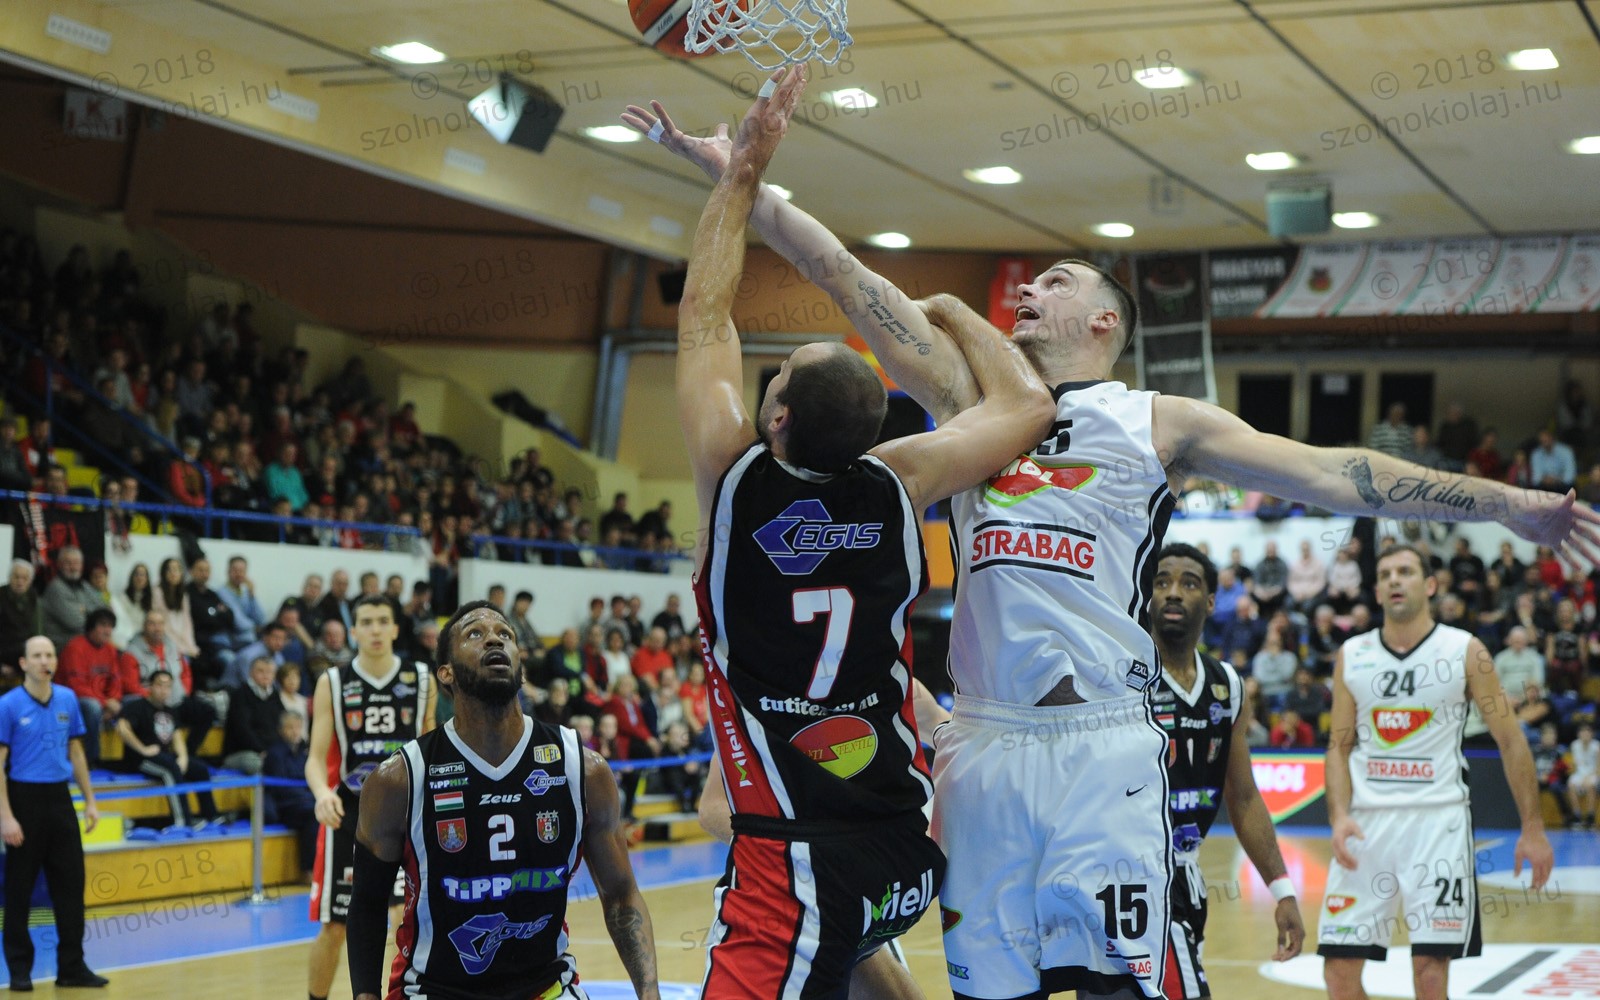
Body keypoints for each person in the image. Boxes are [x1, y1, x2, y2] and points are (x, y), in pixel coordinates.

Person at [632, 80, 1599, 1000]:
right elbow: (846, 279)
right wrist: (744, 181)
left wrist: (1501, 505)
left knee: (1128, 983)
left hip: (1101, 745)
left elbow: (1330, 471)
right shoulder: (970, 405)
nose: (1028, 290)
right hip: (984, 748)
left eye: (1052, 282)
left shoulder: (1158, 421)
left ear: (1103, 320)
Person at [640, 66, 1054, 1000]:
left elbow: (704, 312)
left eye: (779, 376)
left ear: (776, 417)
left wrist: (742, 168)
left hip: (793, 856)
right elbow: (1028, 406)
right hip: (903, 840)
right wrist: (960, 314)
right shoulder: (902, 481)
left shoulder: (733, 478)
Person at [347, 601, 661, 1000]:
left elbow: (621, 895)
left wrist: (650, 995)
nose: (494, 638)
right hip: (434, 990)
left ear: (521, 667)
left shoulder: (581, 768)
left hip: (547, 988)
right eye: (475, 634)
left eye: (505, 634)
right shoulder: (400, 779)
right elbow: (368, 904)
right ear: (446, 672)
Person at [1320, 544, 1554, 1000]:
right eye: (1385, 574)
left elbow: (1511, 740)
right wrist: (1338, 815)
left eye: (1405, 571)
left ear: (1429, 585)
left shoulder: (1465, 650)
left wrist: (1533, 827)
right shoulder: (1353, 652)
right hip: (1366, 826)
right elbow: (1338, 746)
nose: (1394, 580)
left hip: (1438, 824)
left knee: (1429, 974)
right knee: (1338, 972)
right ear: (1377, 591)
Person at [1147, 544, 1304, 999]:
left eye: (1189, 583)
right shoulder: (1122, 677)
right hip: (1135, 877)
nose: (1173, 592)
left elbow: (1244, 797)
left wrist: (1282, 889)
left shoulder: (1228, 685)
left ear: (1212, 601)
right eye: (1162, 581)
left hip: (1186, 876)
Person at [304, 593, 436, 1000]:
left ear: (395, 628)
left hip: (406, 817)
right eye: (366, 621)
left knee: (404, 916)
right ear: (354, 630)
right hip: (350, 816)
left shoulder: (421, 679)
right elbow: (314, 759)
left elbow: (433, 748)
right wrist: (321, 793)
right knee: (335, 926)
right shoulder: (332, 682)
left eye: (382, 620)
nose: (375, 629)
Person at [0, 637, 107, 990]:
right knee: (19, 888)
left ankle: (72, 967)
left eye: (49, 655)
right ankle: (19, 970)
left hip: (60, 799)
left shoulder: (67, 699)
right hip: (24, 799)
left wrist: (90, 801)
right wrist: (6, 816)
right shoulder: (8, 705)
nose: (44, 661)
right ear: (24, 663)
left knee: (71, 886)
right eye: (37, 655)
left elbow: (76, 752)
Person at [115, 669, 219, 828]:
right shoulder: (137, 706)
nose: (164, 690)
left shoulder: (170, 710)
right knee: (171, 769)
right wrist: (142, 749)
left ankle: (211, 815)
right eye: (159, 685)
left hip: (163, 756)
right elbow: (122, 728)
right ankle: (183, 821)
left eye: (168, 686)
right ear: (150, 686)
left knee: (200, 769)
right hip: (140, 759)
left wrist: (183, 757)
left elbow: (177, 736)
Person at [119, 608, 216, 760]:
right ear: (144, 626)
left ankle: (188, 754)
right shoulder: (132, 652)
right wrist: (155, 697)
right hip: (151, 704)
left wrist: (183, 690)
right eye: (152, 624)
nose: (157, 628)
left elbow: (185, 672)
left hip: (176, 699)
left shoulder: (172, 646)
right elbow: (130, 684)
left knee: (207, 711)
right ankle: (156, 757)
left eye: (160, 624)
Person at [224, 656, 284, 774]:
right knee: (256, 763)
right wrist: (261, 750)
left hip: (269, 750)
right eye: (260, 671)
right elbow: (242, 730)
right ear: (251, 673)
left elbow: (283, 724)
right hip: (242, 752)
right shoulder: (240, 694)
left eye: (269, 672)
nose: (265, 675)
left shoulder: (275, 695)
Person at [1569, 722, 1599, 830]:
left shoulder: (1597, 746)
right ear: (1579, 734)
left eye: (1587, 732)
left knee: (1590, 785)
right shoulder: (1574, 745)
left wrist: (1588, 777)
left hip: (1593, 773)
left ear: (1592, 734)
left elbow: (1598, 767)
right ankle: (1577, 815)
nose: (1585, 734)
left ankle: (1590, 816)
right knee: (1571, 784)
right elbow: (1574, 766)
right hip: (1579, 774)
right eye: (1583, 732)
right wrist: (1577, 775)